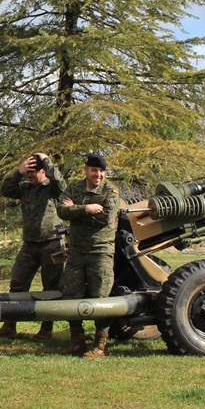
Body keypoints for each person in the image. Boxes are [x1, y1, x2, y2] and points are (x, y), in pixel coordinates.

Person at [0, 152, 68, 341]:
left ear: (44, 171)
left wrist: (48, 161)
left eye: (33, 173)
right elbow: (6, 190)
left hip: (52, 243)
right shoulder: (25, 188)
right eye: (28, 173)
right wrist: (19, 171)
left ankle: (46, 329)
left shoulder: (53, 189)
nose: (30, 176)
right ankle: (10, 325)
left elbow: (61, 184)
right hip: (30, 245)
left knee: (50, 288)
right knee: (18, 283)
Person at [56, 152, 120, 357]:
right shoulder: (74, 188)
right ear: (86, 170)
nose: (98, 175)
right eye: (94, 170)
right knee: (70, 295)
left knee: (100, 298)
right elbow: (61, 211)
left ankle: (99, 345)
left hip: (100, 252)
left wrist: (75, 210)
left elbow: (106, 219)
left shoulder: (111, 192)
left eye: (101, 171)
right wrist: (87, 209)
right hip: (76, 252)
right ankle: (77, 342)